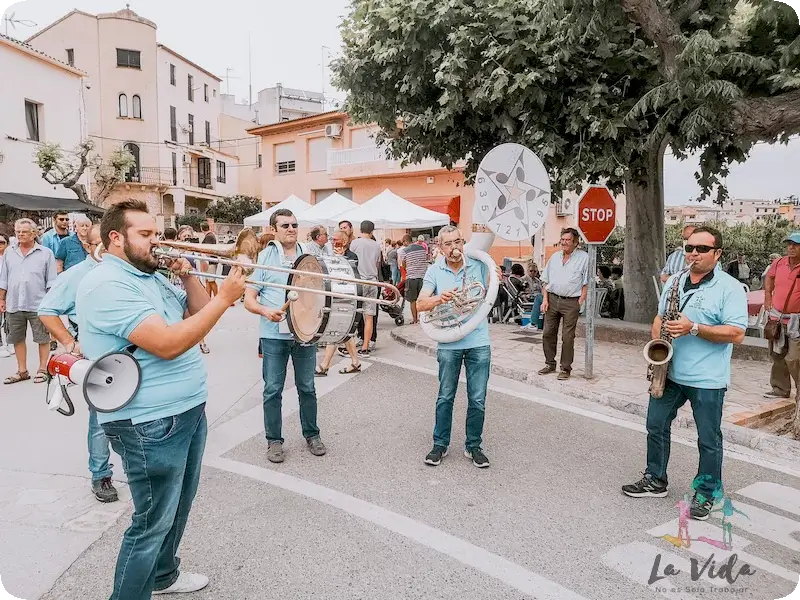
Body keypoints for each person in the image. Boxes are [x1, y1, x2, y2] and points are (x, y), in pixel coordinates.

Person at [75, 199, 245, 598]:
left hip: (185, 410)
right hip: (148, 421)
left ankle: (164, 574)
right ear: (116, 239)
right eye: (147, 235)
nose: (158, 242)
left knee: (178, 504)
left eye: (157, 233)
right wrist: (227, 297)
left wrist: (188, 279)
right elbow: (167, 345)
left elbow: (198, 320)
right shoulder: (108, 284)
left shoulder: (149, 276)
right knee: (152, 519)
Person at [622, 226, 747, 521]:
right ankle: (655, 479)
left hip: (707, 379)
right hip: (671, 372)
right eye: (689, 248)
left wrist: (694, 328)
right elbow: (659, 316)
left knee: (708, 439)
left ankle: (706, 493)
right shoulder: (676, 281)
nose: (693, 253)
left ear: (717, 254)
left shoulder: (729, 288)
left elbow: (738, 333)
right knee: (655, 424)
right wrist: (658, 346)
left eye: (702, 249)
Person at [38, 224, 118, 503]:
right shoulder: (77, 274)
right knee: (100, 420)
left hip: (127, 354)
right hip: (96, 357)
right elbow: (47, 311)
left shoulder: (124, 271)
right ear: (88, 246)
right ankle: (100, 474)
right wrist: (71, 342)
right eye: (102, 244)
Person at [244, 209, 326, 463]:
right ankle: (274, 441)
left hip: (304, 334)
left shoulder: (310, 256)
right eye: (285, 225)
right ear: (274, 229)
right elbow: (248, 299)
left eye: (294, 224)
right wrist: (266, 311)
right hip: (273, 336)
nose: (291, 228)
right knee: (272, 390)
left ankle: (312, 435)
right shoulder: (264, 258)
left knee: (307, 387)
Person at [417, 226, 498, 468]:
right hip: (449, 342)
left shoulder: (479, 264)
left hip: (478, 340)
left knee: (478, 398)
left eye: (458, 242)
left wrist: (497, 275)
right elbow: (420, 305)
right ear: (440, 247)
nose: (455, 248)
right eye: (449, 244)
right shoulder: (434, 271)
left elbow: (490, 290)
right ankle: (439, 444)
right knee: (445, 396)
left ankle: (474, 446)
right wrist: (438, 299)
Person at [0, 218, 57, 384]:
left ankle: (42, 369)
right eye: (18, 232)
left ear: (33, 234)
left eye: (24, 232)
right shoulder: (10, 252)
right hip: (14, 302)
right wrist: (1, 298)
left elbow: (51, 281)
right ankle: (22, 370)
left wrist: (50, 304)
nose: (20, 235)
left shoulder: (46, 253)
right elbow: (3, 278)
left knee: (42, 338)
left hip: (38, 303)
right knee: (17, 338)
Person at [538, 228, 589, 380]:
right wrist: (545, 299)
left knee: (568, 337)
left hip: (571, 302)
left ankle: (565, 368)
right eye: (563, 239)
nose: (564, 242)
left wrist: (580, 302)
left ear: (575, 242)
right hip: (552, 299)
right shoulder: (554, 257)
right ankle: (549, 363)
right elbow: (545, 280)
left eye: (568, 240)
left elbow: (586, 283)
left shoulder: (584, 258)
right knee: (548, 333)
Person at [316, 230, 362, 376]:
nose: (333, 242)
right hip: (336, 295)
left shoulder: (351, 256)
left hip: (347, 296)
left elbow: (351, 274)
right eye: (332, 239)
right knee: (343, 331)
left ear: (344, 241)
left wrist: (340, 259)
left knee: (336, 329)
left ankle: (325, 366)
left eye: (336, 239)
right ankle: (355, 362)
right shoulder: (331, 255)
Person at [762, 232, 800, 400]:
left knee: (793, 358)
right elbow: (769, 278)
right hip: (777, 318)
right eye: (789, 244)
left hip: (797, 321)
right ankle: (780, 389)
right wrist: (768, 297)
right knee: (777, 354)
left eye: (796, 244)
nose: (791, 247)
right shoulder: (779, 262)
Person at [349, 220, 382, 356]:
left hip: (358, 281)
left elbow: (350, 260)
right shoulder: (376, 245)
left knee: (353, 314)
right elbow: (377, 263)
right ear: (372, 231)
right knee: (369, 317)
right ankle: (365, 347)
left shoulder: (355, 243)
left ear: (360, 229)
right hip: (373, 281)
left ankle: (351, 345)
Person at [400, 234, 429, 324]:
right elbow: (425, 259)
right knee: (422, 299)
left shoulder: (404, 251)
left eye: (403, 242)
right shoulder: (422, 248)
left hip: (411, 277)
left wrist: (409, 268)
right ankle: (423, 318)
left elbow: (403, 264)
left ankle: (415, 319)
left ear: (405, 241)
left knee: (413, 300)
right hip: (423, 276)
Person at [0, 233, 11, 358]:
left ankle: (10, 342)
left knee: (9, 319)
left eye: (2, 242)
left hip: (9, 291)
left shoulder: (10, 257)